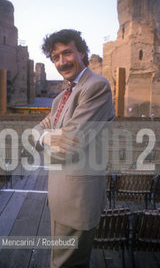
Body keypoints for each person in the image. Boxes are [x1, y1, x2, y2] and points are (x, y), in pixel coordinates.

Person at [33, 29, 114, 268]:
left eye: (67, 53)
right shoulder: (61, 98)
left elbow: (66, 146)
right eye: (55, 57)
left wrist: (44, 138)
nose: (61, 62)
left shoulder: (96, 87)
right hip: (59, 195)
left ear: (81, 52)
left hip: (78, 198)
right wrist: (48, 136)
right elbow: (37, 130)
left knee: (67, 265)